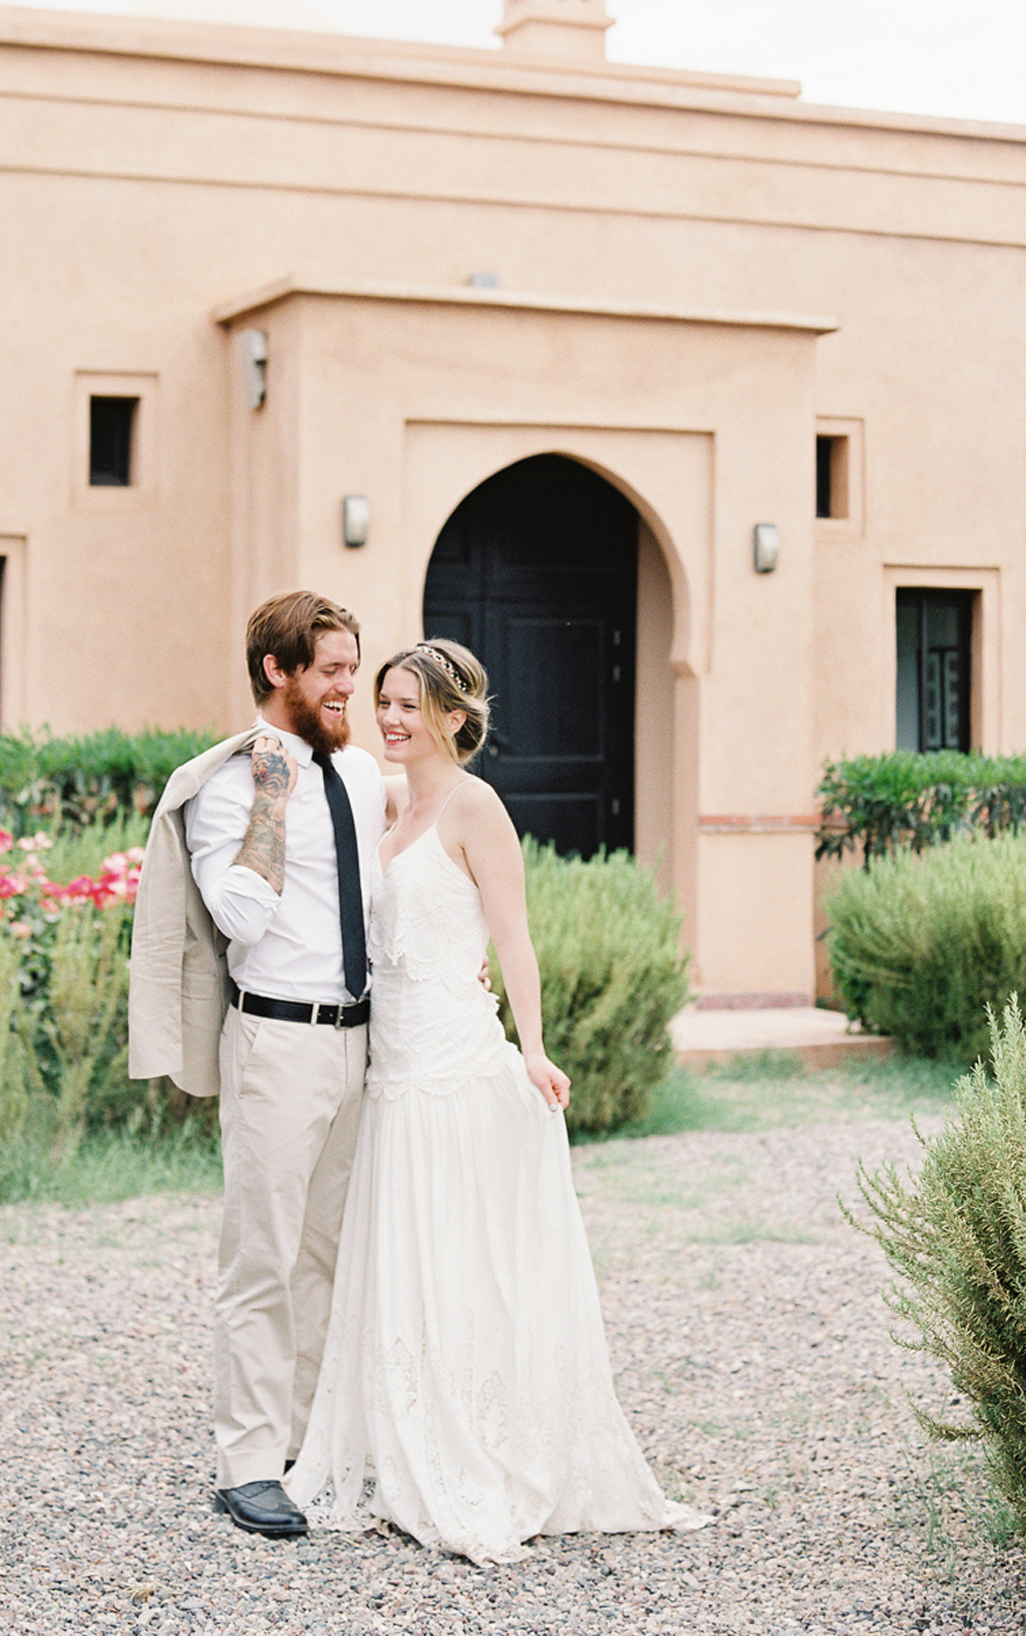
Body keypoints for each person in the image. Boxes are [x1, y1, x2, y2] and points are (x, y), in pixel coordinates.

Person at [285, 638, 710, 1565]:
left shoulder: (477, 808)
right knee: (404, 1259)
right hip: (392, 1073)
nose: (390, 718)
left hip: (456, 1069)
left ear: (453, 717)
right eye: (385, 702)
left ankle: (479, 1444)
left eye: (409, 706)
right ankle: (402, 1437)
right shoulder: (385, 799)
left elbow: (512, 938)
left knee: (464, 1258)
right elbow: (312, 779)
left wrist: (536, 1047)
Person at [128, 591, 386, 1541]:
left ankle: (305, 1443)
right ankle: (247, 1465)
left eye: (353, 668)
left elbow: (384, 888)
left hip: (363, 1041)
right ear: (279, 671)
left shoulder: (361, 774)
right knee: (263, 1256)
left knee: (328, 1252)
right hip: (277, 1043)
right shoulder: (229, 786)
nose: (349, 687)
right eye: (332, 670)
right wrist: (273, 799)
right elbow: (240, 918)